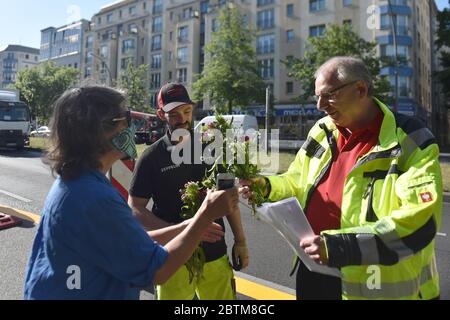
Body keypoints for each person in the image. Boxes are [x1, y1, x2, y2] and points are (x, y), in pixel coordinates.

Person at [241, 57, 442, 300]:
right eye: (317, 96)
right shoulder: (323, 129)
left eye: (328, 95)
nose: (319, 105)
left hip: (375, 287)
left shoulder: (412, 139)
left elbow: (421, 221)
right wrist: (266, 185)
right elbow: (297, 179)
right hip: (314, 271)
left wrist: (339, 247)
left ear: (360, 89)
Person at [24, 86, 239, 300]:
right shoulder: (94, 198)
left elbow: (125, 240)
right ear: (98, 133)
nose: (131, 125)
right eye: (125, 118)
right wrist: (203, 217)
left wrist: (186, 227)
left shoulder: (80, 185)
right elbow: (156, 269)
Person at [128, 83, 249, 300]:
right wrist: (179, 230)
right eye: (174, 114)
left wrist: (240, 241)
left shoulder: (212, 148)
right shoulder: (151, 158)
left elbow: (228, 198)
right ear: (161, 115)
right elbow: (135, 208)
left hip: (214, 254)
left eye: (186, 111)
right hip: (172, 257)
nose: (182, 119)